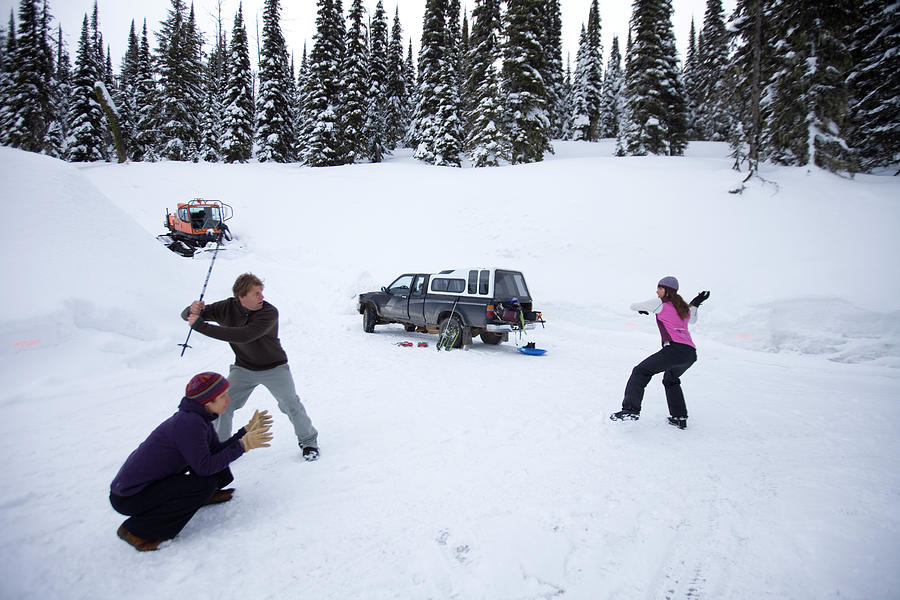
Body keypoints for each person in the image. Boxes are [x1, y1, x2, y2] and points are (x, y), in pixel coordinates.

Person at [110, 372, 273, 551]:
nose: (228, 399)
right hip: (130, 497)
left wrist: (245, 432)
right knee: (204, 484)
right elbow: (204, 467)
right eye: (222, 396)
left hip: (150, 486)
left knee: (215, 476)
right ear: (207, 402)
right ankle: (136, 531)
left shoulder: (199, 419)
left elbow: (214, 452)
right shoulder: (189, 424)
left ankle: (204, 497)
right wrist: (243, 445)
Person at [182, 273, 320, 461]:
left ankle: (309, 441)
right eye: (256, 293)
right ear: (241, 296)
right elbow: (191, 316)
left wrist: (201, 326)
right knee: (223, 405)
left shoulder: (269, 312)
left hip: (275, 368)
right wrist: (191, 310)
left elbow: (245, 335)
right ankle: (220, 447)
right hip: (243, 368)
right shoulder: (226, 307)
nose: (261, 297)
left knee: (291, 404)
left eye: (261, 292)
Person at [610, 276, 710, 429]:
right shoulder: (682, 307)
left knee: (640, 371)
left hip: (674, 349)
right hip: (690, 353)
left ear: (667, 290)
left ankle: (630, 411)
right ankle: (679, 417)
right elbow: (693, 319)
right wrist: (695, 303)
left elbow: (634, 306)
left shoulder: (660, 303)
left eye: (660, 288)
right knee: (671, 379)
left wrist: (643, 308)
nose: (657, 291)